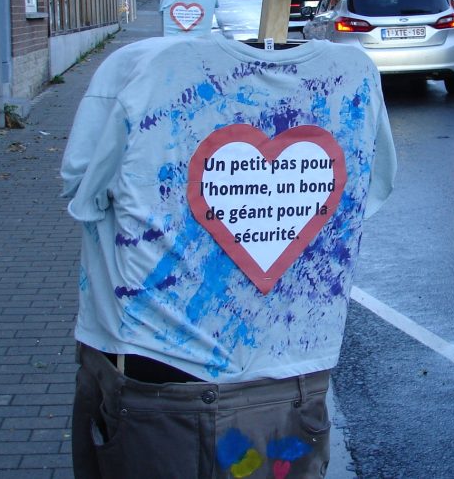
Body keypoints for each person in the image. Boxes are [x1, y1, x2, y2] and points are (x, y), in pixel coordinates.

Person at [62, 31, 396, 478]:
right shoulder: (355, 76)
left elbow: (83, 193)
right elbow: (371, 193)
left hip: (154, 378)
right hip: (294, 382)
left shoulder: (143, 69)